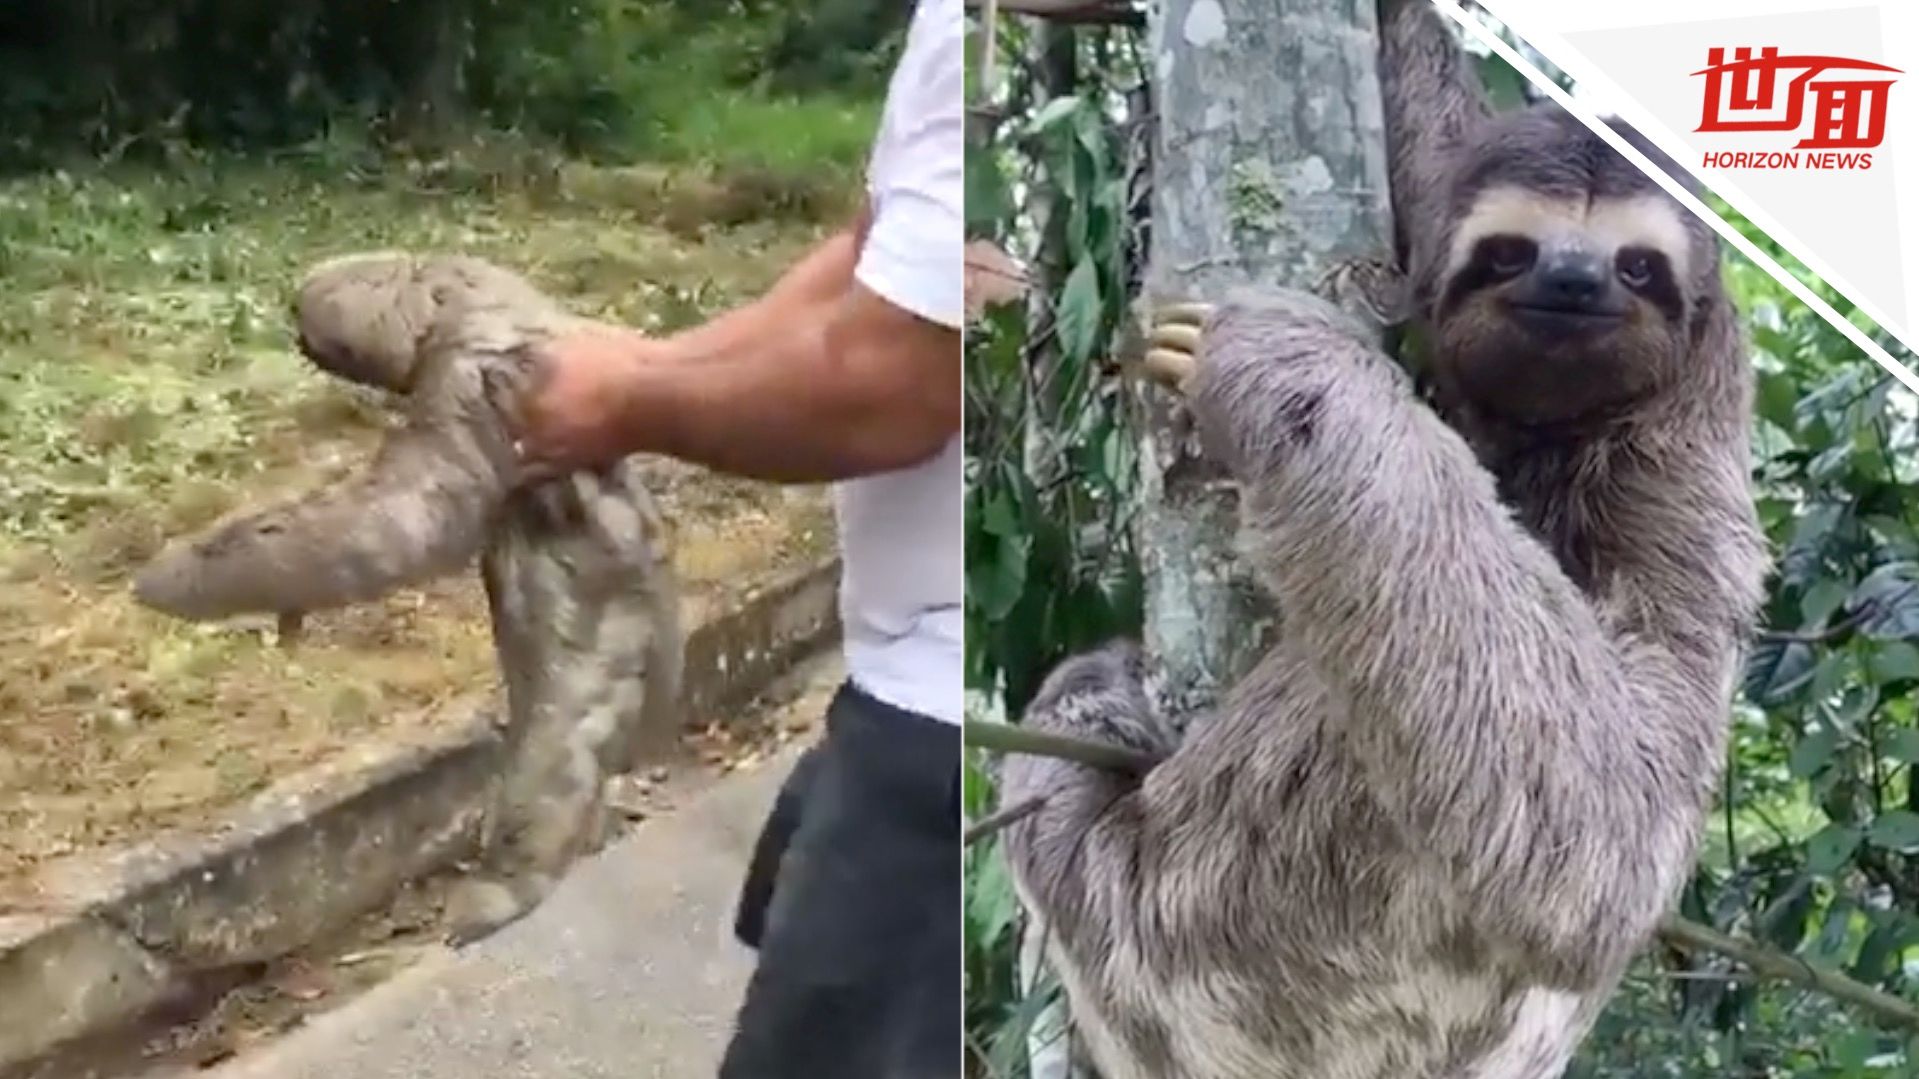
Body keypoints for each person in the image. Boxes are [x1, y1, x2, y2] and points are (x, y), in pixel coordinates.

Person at [510, 0, 963, 1074]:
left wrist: (626, 405)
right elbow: (870, 258)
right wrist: (650, 371)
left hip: (956, 726)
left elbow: (891, 383)